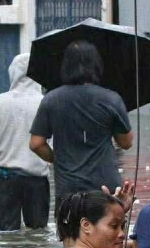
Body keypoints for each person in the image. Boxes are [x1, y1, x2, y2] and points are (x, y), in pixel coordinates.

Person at [29, 40, 133, 216]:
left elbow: (36, 144)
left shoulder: (51, 99)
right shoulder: (111, 98)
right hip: (105, 187)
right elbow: (126, 143)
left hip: (69, 188)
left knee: (71, 239)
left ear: (66, 66)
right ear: (97, 65)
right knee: (106, 239)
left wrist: (59, 159)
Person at [0, 53, 50, 233]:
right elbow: (54, 143)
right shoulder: (46, 103)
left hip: (6, 179)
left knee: (4, 235)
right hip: (38, 181)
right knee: (38, 233)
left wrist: (2, 154)